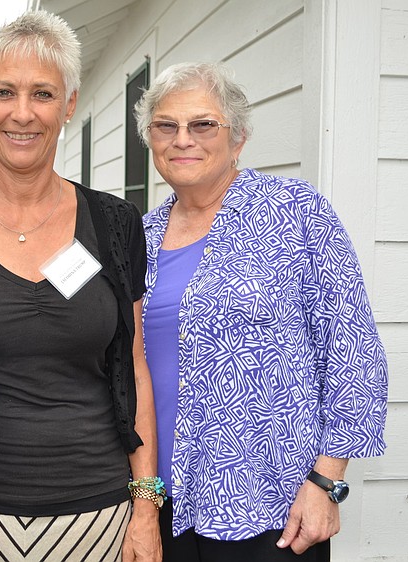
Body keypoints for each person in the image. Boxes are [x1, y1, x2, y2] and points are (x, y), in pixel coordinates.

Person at [0, 11, 161, 561]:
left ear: (68, 105)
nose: (22, 113)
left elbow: (134, 364)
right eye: (4, 92)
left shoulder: (115, 223)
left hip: (99, 515)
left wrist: (145, 508)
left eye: (42, 93)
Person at [134, 62, 388, 561]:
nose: (183, 139)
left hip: (272, 507)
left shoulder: (296, 212)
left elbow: (354, 351)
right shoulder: (140, 235)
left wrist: (327, 481)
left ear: (239, 137)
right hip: (164, 501)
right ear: (150, 139)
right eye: (166, 125)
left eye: (203, 124)